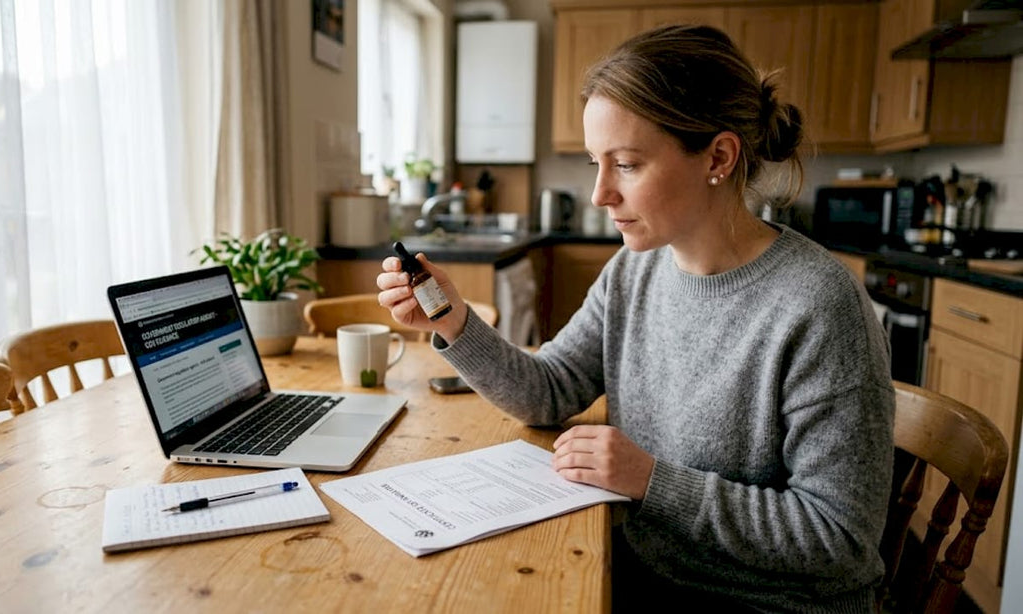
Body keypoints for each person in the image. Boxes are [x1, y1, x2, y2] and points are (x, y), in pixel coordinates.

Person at [377, 24, 893, 613]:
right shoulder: (635, 271)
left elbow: (840, 540)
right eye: (599, 162)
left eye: (625, 164)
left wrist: (653, 481)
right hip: (644, 573)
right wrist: (453, 322)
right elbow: (548, 391)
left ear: (718, 158)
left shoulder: (819, 308)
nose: (599, 194)